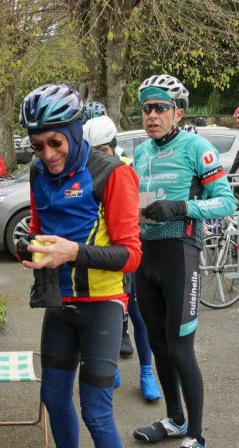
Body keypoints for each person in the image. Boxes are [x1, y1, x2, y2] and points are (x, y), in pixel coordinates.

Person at [16, 84, 141, 448]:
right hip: (60, 303)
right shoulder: (38, 174)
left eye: (56, 142)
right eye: (38, 146)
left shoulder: (111, 173)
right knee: (53, 396)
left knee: (96, 411)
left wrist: (72, 252)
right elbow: (38, 229)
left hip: (103, 305)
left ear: (74, 132)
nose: (48, 154)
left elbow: (131, 256)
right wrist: (29, 248)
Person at [132, 74, 236, 448]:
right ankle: (174, 418)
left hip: (181, 254)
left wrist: (181, 207)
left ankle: (196, 436)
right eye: (146, 108)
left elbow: (226, 202)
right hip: (146, 256)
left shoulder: (197, 148)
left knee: (180, 349)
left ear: (178, 112)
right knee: (158, 344)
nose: (152, 115)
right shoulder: (141, 152)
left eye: (160, 108)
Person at [83, 115, 162, 401]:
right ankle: (112, 365)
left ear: (113, 147)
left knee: (139, 315)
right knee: (112, 315)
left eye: (103, 151)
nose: (99, 158)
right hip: (103, 257)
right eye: (93, 152)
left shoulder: (127, 167)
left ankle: (146, 372)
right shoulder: (83, 171)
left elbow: (143, 212)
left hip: (129, 252)